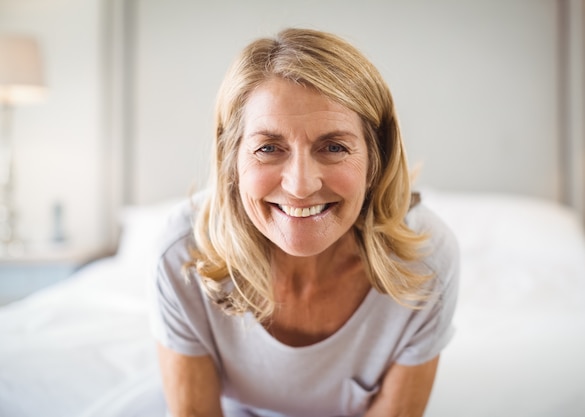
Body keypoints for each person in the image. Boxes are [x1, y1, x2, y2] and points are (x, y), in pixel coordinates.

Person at [149, 28, 459, 417]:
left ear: (374, 161)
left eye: (333, 147)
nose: (299, 185)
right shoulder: (182, 253)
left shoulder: (427, 259)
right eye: (268, 148)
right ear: (232, 161)